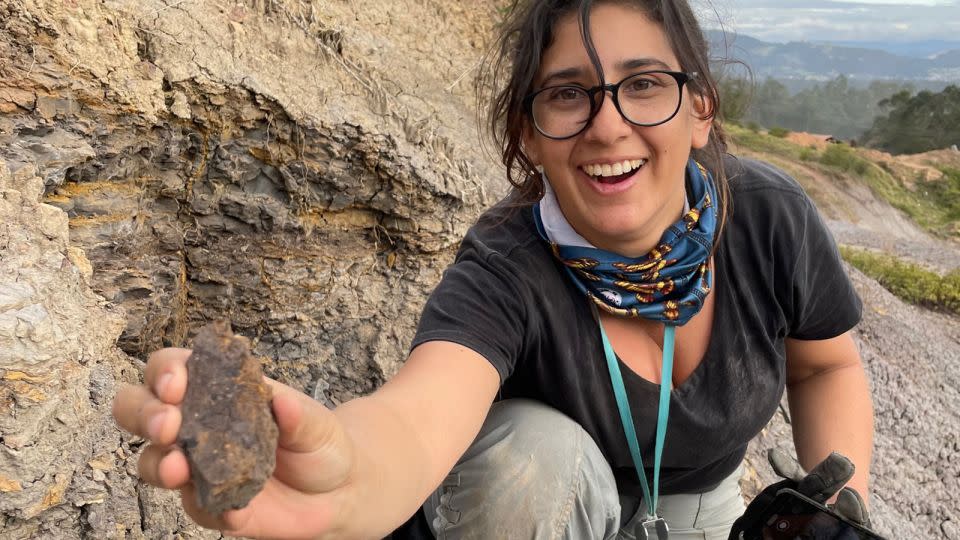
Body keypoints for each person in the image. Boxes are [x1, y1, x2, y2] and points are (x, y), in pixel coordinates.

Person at [112, 0, 876, 538]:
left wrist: (839, 507)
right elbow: (414, 422)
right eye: (569, 94)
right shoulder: (505, 267)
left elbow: (824, 367)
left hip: (696, 512)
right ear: (529, 135)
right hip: (525, 518)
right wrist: (341, 478)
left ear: (700, 107)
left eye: (645, 84)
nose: (608, 123)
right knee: (534, 458)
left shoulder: (769, 217)